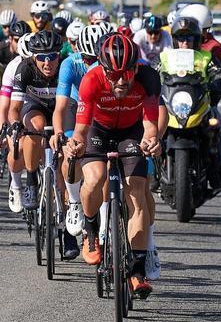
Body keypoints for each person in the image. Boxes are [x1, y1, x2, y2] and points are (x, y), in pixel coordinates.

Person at [65, 32, 162, 300]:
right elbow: (81, 128)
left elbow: (150, 124)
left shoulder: (149, 77)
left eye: (126, 74)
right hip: (99, 130)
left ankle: (138, 269)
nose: (121, 81)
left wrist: (152, 141)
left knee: (137, 191)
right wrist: (75, 144)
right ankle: (91, 228)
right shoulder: (91, 80)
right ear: (103, 69)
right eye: (113, 74)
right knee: (94, 179)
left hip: (131, 132)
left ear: (135, 68)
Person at [8, 29, 78, 257]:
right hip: (35, 107)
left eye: (52, 57)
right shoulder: (25, 69)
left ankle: (69, 233)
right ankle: (30, 183)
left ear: (59, 55)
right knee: (33, 129)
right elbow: (15, 108)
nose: (47, 63)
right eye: (41, 58)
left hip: (62, 109)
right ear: (33, 57)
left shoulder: (67, 67)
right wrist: (15, 124)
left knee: (64, 169)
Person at [159, 17, 221, 191]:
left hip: (201, 104)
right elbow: (152, 72)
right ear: (175, 40)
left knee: (220, 128)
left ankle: (218, 168)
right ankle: (152, 170)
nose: (184, 42)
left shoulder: (207, 58)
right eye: (180, 38)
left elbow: (219, 74)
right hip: (172, 103)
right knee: (151, 128)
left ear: (197, 39)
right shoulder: (164, 57)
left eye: (189, 38)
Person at [54, 23, 107, 251]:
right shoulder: (70, 63)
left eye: (94, 59)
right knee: (70, 154)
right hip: (76, 108)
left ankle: (105, 218)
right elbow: (60, 106)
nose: (90, 64)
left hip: (101, 109)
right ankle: (74, 201)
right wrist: (59, 133)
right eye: (86, 58)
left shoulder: (108, 64)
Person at [0, 25, 32, 212]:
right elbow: (4, 105)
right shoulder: (13, 67)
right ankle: (16, 185)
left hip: (35, 108)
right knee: (16, 144)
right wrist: (2, 130)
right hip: (15, 108)